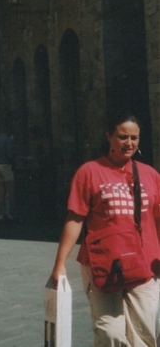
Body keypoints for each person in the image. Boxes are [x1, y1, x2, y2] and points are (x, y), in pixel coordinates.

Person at [49, 114, 160, 346]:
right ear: (109, 136)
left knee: (145, 334)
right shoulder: (90, 172)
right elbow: (75, 218)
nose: (128, 142)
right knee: (110, 332)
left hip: (145, 264)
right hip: (104, 264)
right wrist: (60, 265)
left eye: (134, 137)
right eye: (122, 137)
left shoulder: (150, 175)